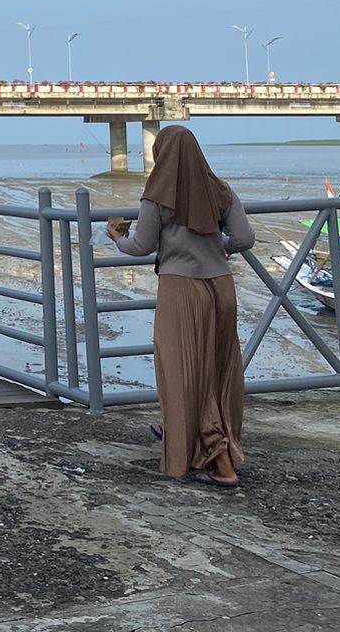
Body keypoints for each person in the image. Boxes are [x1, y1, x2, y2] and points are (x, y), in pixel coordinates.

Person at [108, 126, 254, 488]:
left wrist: (117, 238)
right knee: (217, 371)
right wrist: (213, 246)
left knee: (182, 371)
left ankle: (219, 462)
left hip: (181, 290)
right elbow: (244, 238)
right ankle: (187, 436)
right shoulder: (220, 189)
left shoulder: (157, 195)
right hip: (221, 287)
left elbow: (142, 246)